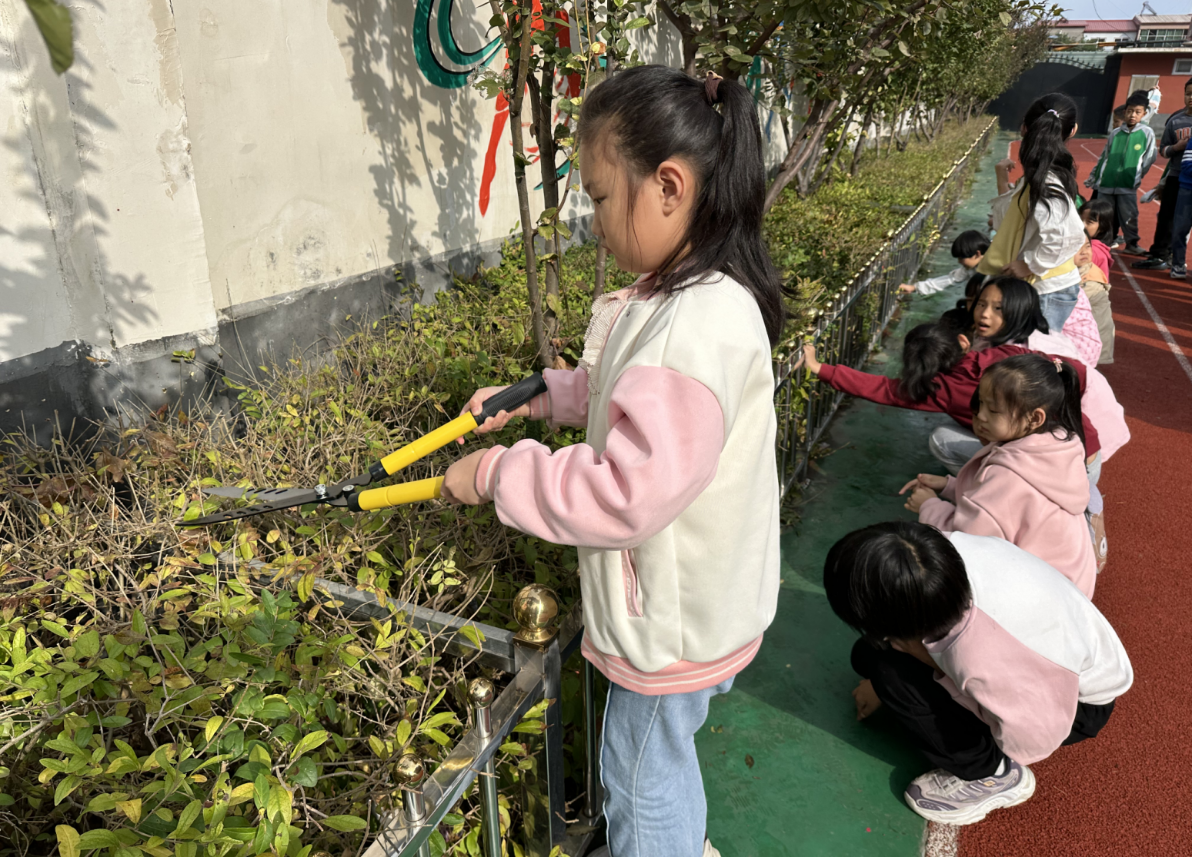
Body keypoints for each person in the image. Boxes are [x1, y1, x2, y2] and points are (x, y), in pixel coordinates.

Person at [440, 66, 783, 857]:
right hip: (692, 603)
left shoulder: (694, 324)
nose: (591, 220)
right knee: (660, 755)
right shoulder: (685, 294)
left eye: (597, 195)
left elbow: (628, 491)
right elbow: (625, 394)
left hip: (673, 621)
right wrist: (546, 395)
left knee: (636, 773)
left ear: (668, 184)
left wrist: (497, 474)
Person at [825, 522, 1133, 826]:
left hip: (1076, 703)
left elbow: (1038, 738)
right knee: (868, 655)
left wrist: (927, 662)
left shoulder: (982, 655)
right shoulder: (935, 553)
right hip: (1055, 654)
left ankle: (992, 775)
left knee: (890, 675)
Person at [799, 310, 1103, 475]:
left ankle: (977, 482)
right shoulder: (1005, 354)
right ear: (961, 342)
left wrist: (819, 368)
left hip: (1045, 465)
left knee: (942, 437)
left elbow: (883, 389)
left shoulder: (940, 390)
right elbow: (1077, 371)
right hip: (1084, 446)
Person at [901, 354, 1097, 598]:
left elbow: (967, 546)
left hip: (1037, 598)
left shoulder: (1007, 475)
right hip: (1069, 587)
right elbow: (1011, 506)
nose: (981, 416)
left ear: (1034, 418)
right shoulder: (1057, 444)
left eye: (993, 410)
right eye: (981, 404)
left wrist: (930, 507)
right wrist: (949, 485)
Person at [977, 94, 1086, 332]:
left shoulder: (1047, 184)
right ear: (1073, 130)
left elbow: (1070, 236)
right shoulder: (1039, 178)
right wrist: (1002, 179)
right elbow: (1009, 223)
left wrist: (1030, 265)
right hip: (1040, 286)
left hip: (1045, 287)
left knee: (1034, 360)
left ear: (1024, 127)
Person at [1087, 90, 1157, 256]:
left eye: (1137, 112)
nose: (1133, 115)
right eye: (1130, 111)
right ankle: (1103, 242)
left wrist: (1136, 176)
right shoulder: (1115, 133)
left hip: (1127, 185)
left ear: (1144, 114)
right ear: (1125, 111)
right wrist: (1095, 177)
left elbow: (1149, 159)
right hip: (1106, 184)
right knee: (1105, 215)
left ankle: (1132, 243)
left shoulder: (1147, 134)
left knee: (1129, 215)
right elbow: (1104, 156)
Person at [1133, 79, 1192, 271]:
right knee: (1167, 216)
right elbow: (1164, 151)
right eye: (1189, 93)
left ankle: (1176, 257)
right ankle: (1159, 254)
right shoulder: (1176, 120)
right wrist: (1177, 147)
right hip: (1177, 176)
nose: (1191, 98)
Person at [898, 230, 990, 295]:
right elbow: (950, 279)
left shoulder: (995, 271)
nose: (959, 262)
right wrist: (914, 288)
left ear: (977, 254)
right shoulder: (971, 268)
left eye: (961, 258)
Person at [1075, 237, 1116, 365]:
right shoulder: (1082, 271)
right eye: (1077, 247)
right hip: (1090, 343)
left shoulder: (1090, 282)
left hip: (1090, 344)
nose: (1084, 252)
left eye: (1087, 246)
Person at [1080, 196, 1115, 279]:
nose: (1082, 225)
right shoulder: (1091, 246)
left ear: (1103, 227)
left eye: (1089, 222)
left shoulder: (1093, 251)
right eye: (1080, 219)